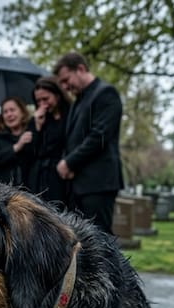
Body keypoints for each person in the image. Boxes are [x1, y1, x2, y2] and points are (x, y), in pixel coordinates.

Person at [53, 52, 124, 233]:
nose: (65, 87)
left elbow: (99, 137)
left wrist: (69, 163)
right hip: (78, 185)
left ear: (81, 69)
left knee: (101, 241)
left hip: (98, 183)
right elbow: (71, 140)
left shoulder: (105, 93)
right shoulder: (78, 101)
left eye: (66, 79)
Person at [28, 76, 72, 207]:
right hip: (41, 179)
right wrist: (37, 127)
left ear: (57, 95)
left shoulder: (71, 115)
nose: (43, 104)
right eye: (38, 101)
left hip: (63, 177)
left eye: (46, 99)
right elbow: (31, 152)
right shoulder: (37, 119)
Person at [0, 96, 34, 186]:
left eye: (12, 110)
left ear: (22, 112)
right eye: (5, 112)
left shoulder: (31, 133)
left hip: (30, 188)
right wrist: (16, 147)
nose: (9, 114)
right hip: (5, 189)